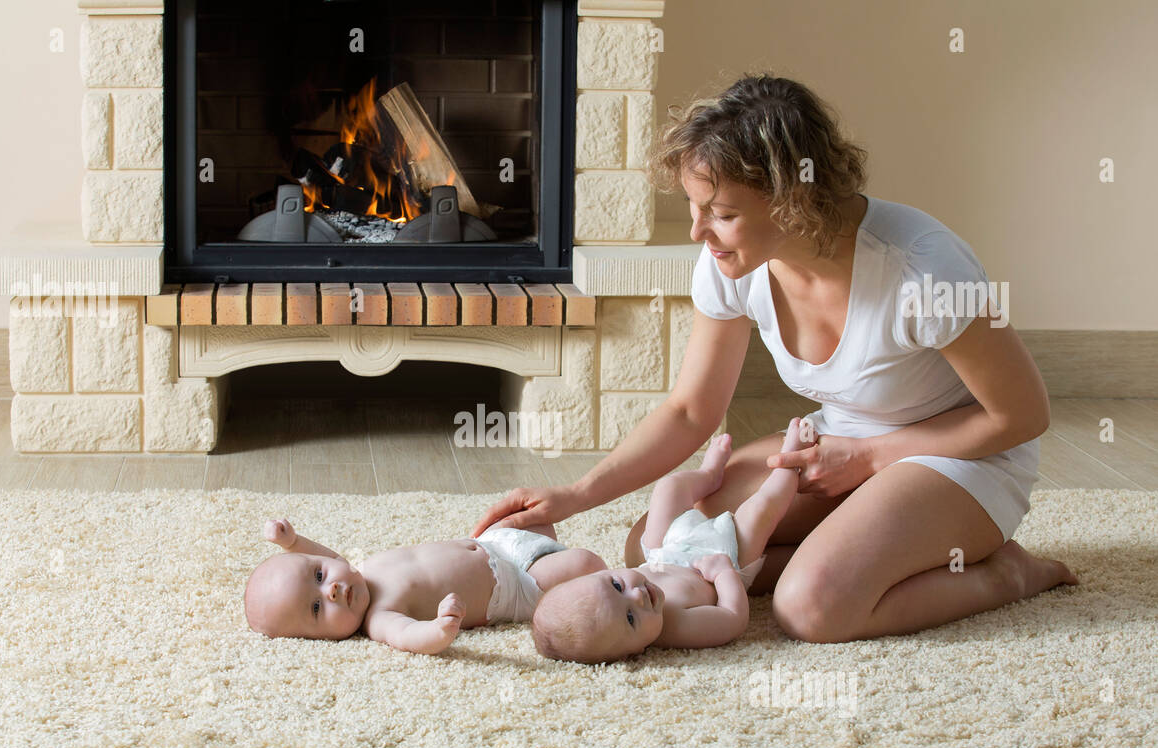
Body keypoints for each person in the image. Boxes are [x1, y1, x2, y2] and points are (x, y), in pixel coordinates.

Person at [475, 73, 1076, 644]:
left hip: (961, 456)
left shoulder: (925, 268)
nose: (698, 232)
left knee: (810, 607)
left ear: (794, 201)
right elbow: (690, 410)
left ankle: (1008, 573)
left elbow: (1022, 416)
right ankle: (855, 549)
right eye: (695, 206)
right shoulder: (733, 264)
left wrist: (871, 457)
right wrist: (576, 495)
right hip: (840, 443)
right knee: (653, 548)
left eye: (723, 214)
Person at [533, 421, 808, 663]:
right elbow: (733, 618)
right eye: (630, 618)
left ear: (604, 573)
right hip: (723, 556)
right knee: (760, 510)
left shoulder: (631, 592)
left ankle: (709, 475)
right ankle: (791, 463)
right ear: (634, 652)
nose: (637, 596)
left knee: (668, 489)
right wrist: (724, 574)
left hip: (666, 550)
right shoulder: (676, 625)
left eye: (617, 585)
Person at [244, 517, 604, 654]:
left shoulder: (356, 570)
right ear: (318, 639)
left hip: (494, 544)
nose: (331, 590)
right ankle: (612, 585)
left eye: (319, 576)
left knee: (538, 522)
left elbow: (325, 557)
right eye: (317, 608)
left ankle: (544, 545)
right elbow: (408, 637)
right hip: (518, 585)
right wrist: (439, 630)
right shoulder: (379, 618)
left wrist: (292, 543)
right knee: (584, 563)